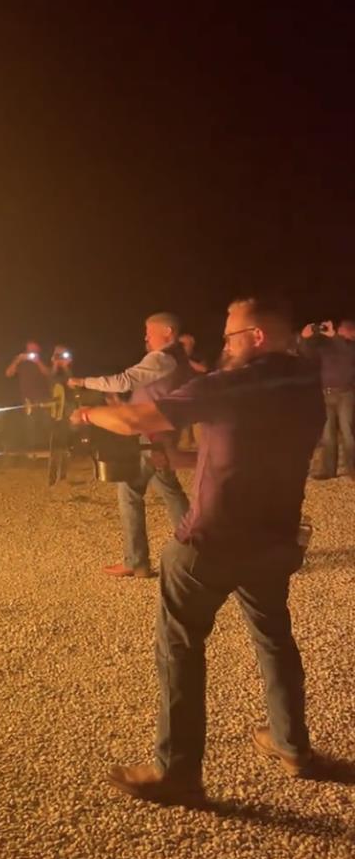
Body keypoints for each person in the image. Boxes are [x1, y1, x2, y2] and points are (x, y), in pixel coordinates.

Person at [70, 297, 324, 804]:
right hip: (273, 540)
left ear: (254, 337)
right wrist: (184, 456)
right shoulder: (304, 384)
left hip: (211, 541)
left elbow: (134, 419)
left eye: (230, 336)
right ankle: (293, 746)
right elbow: (248, 448)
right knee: (273, 638)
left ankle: (177, 772)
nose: (223, 346)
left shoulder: (228, 384)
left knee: (181, 649)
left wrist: (87, 411)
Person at [68, 313, 192, 578]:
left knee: (130, 491)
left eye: (149, 331)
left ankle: (137, 562)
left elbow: (124, 381)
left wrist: (83, 382)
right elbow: (155, 395)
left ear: (167, 331)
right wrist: (124, 408)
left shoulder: (162, 358)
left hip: (151, 435)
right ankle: (196, 550)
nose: (145, 336)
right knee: (171, 492)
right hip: (161, 434)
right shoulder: (177, 359)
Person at [299, 319, 355, 479]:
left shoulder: (349, 346)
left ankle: (353, 469)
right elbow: (306, 355)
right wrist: (305, 338)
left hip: (346, 394)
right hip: (326, 393)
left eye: (344, 329)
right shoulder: (326, 345)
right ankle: (328, 470)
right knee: (327, 435)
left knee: (348, 433)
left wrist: (333, 336)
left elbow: (347, 354)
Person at [5, 341, 51, 451]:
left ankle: (47, 446)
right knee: (30, 424)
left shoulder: (42, 359)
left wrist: (38, 361)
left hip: (43, 397)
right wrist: (17, 360)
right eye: (29, 349)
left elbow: (48, 374)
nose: (31, 352)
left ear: (38, 349)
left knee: (45, 422)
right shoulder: (21, 362)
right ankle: (33, 449)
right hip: (27, 399)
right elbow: (8, 373)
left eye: (34, 349)